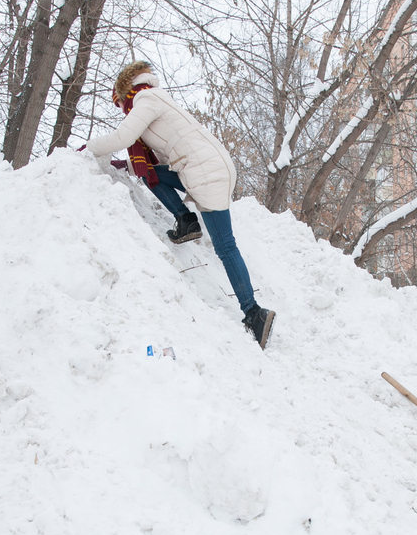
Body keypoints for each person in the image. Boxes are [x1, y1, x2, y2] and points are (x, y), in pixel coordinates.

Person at [86, 60, 276, 349]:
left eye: (120, 101)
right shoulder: (157, 98)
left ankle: (254, 313)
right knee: (150, 174)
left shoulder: (146, 99)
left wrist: (88, 149)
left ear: (126, 90)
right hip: (207, 166)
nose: (123, 109)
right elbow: (157, 164)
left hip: (205, 172)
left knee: (225, 246)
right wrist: (125, 164)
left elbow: (123, 136)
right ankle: (185, 220)